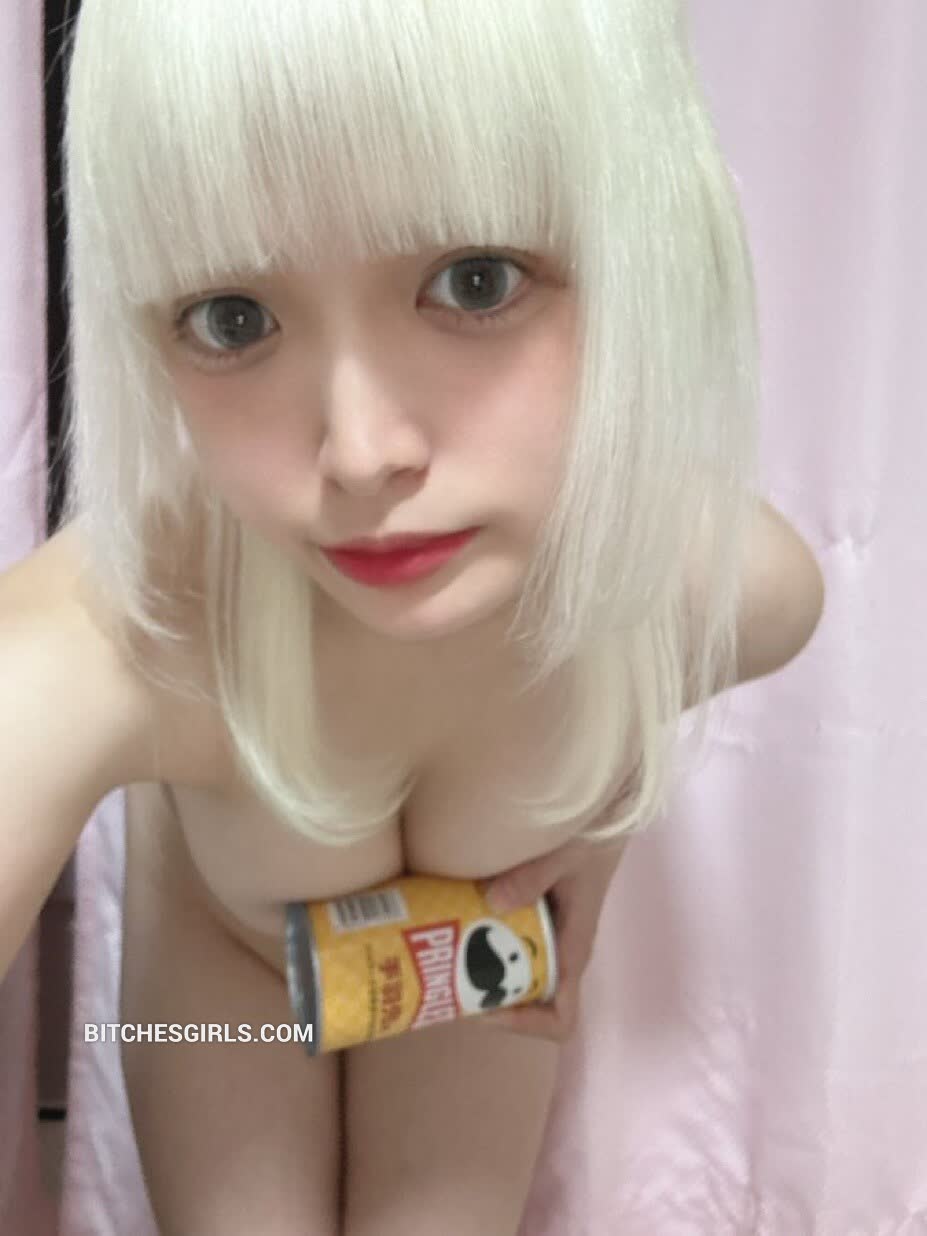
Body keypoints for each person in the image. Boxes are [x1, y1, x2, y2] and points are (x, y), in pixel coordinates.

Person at [0, 0, 825, 1231]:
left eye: (475, 282)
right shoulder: (136, 630)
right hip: (232, 964)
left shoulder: (720, 584)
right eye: (232, 318)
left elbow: (734, 635)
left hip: (466, 949)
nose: (362, 454)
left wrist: (596, 836)